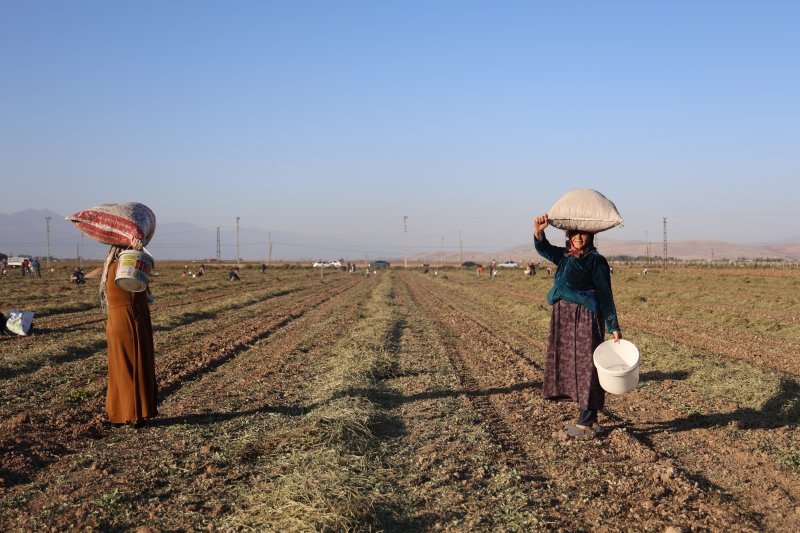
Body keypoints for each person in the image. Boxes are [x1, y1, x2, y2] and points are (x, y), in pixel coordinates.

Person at [533, 214, 622, 439]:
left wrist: (612, 325)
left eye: (584, 234)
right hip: (563, 318)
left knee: (586, 366)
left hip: (585, 317)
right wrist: (539, 232)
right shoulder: (564, 256)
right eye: (575, 233)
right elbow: (544, 249)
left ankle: (585, 421)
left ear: (590, 236)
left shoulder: (596, 261)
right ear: (569, 235)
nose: (579, 237)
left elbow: (605, 294)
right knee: (570, 364)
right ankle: (591, 420)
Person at [100, 237, 157, 427]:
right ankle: (134, 414)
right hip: (130, 319)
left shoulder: (109, 268)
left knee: (119, 368)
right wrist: (137, 254)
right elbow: (137, 287)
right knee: (134, 365)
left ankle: (118, 412)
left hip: (116, 320)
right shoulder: (124, 269)